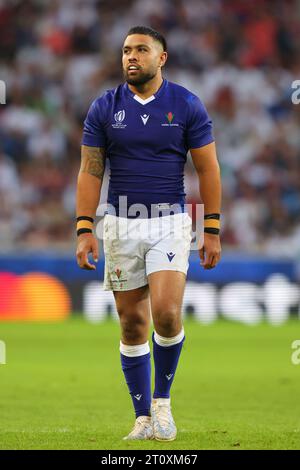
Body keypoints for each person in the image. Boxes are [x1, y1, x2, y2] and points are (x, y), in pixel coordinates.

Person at [76, 26, 221, 441]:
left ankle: (163, 405)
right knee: (131, 324)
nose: (131, 57)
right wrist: (84, 228)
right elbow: (90, 171)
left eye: (141, 49)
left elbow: (208, 169)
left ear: (162, 58)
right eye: (125, 50)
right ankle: (142, 418)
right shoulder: (104, 107)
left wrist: (211, 228)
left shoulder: (186, 105)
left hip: (170, 221)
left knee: (168, 313)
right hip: (120, 224)